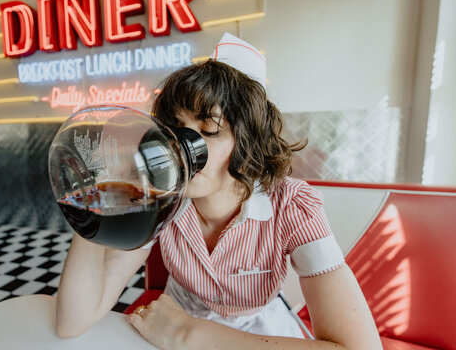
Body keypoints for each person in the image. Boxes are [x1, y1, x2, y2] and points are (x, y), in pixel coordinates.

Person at [55, 33, 383, 350]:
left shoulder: (292, 207)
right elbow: (72, 323)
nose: (182, 147)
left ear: (247, 140)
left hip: (246, 334)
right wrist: (95, 199)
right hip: (170, 324)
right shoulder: (162, 200)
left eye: (208, 130)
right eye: (175, 130)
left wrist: (190, 335)